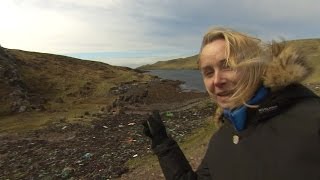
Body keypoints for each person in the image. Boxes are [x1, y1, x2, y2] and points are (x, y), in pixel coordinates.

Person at [142, 27, 320, 180]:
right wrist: (163, 145)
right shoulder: (223, 138)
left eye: (227, 66)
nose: (217, 81)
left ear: (254, 67)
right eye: (208, 72)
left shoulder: (312, 120)